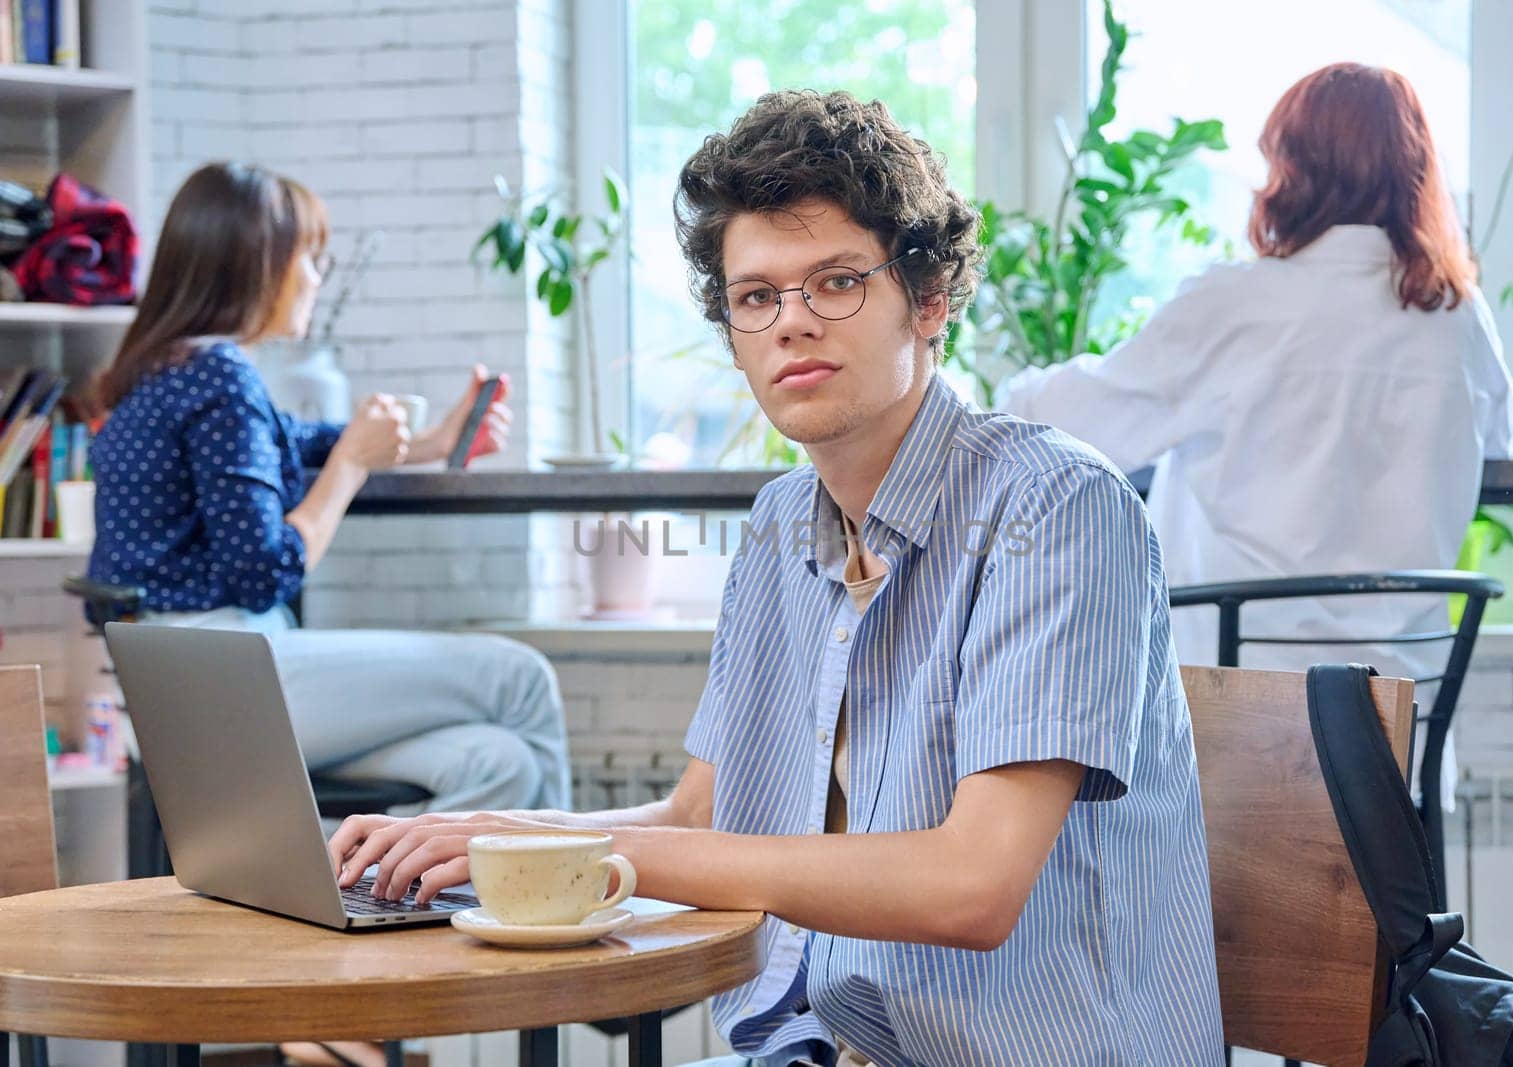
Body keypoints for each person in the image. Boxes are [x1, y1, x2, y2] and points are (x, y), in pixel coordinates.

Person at [328, 91, 1224, 1067]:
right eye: (757, 297)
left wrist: (554, 845)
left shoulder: (1054, 505)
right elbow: (697, 817)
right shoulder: (777, 524)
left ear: (926, 301)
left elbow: (972, 883)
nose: (792, 322)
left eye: (836, 281)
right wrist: (474, 837)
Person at [999, 63, 1513, 692]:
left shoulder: (1239, 303)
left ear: (1292, 171)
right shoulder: (1458, 318)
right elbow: (1498, 446)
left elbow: (1069, 420)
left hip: (1239, 714)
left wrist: (999, 387)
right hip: (1398, 725)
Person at [88, 162, 571, 819]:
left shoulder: (159, 372)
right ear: (261, 264)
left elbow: (294, 438)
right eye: (310, 259)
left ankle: (347, 880)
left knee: (497, 762)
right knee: (521, 676)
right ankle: (567, 900)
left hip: (178, 690)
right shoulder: (220, 375)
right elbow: (266, 570)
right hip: (231, 672)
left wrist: (430, 441)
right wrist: (349, 466)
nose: (316, 278)